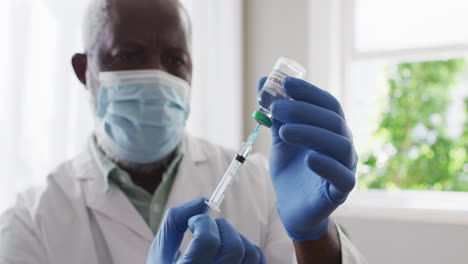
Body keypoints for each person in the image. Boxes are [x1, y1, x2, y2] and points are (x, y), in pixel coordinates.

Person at [0, 0, 367, 263]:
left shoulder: (260, 184)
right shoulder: (31, 220)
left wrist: (315, 237)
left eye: (175, 59)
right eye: (130, 54)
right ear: (84, 70)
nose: (158, 74)